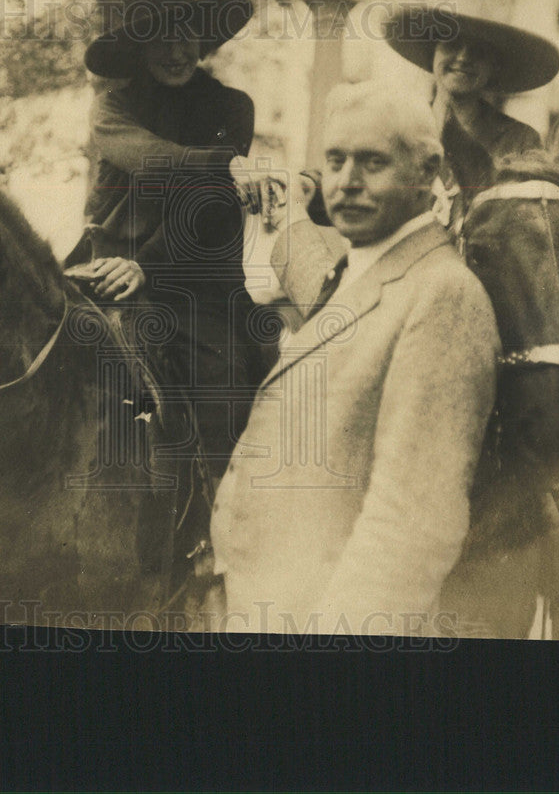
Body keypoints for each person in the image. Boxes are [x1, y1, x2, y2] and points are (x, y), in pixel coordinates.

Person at [209, 84, 500, 635]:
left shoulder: (442, 293)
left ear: (428, 170)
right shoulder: (362, 270)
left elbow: (410, 526)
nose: (346, 183)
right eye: (336, 161)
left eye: (373, 163)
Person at [69, 0, 264, 479]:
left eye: (184, 33)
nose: (174, 50)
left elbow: (209, 206)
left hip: (193, 279)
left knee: (224, 382)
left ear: (202, 38)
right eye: (156, 36)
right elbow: (152, 158)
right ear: (137, 48)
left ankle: (213, 526)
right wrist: (223, 162)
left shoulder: (232, 107)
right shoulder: (113, 108)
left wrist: (146, 267)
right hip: (107, 267)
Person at [384, 0, 559, 215]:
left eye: (479, 50)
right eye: (453, 42)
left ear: (494, 66)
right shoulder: (399, 126)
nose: (464, 57)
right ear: (433, 49)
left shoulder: (520, 142)